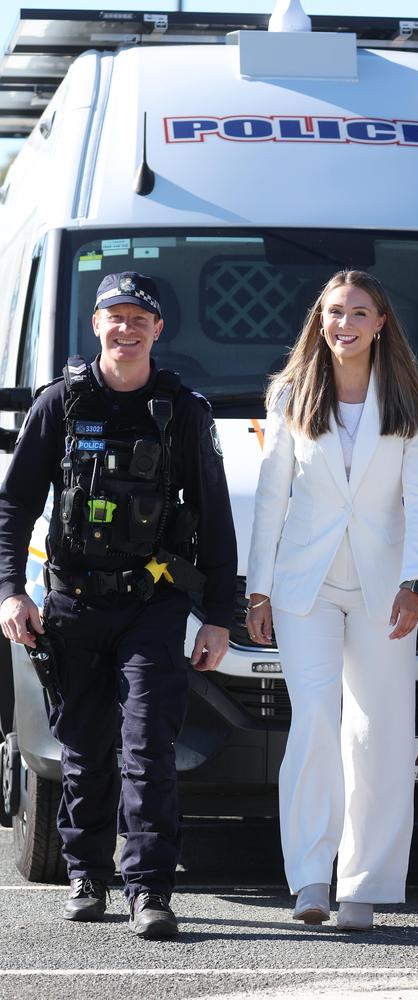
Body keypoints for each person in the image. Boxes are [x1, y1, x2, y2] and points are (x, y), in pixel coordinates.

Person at [0, 272, 237, 939]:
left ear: (158, 329)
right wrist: (10, 589)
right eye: (115, 317)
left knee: (148, 748)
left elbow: (216, 520)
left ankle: (149, 889)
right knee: (83, 747)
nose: (126, 329)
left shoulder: (183, 412)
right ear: (96, 325)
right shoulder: (61, 405)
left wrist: (220, 614)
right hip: (72, 602)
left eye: (140, 318)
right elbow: (14, 502)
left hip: (151, 605)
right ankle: (86, 874)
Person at [246, 270, 418, 931]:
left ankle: (365, 884)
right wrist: (259, 588)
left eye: (359, 311)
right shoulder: (293, 394)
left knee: (377, 733)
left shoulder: (411, 395)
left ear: (382, 322)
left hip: (387, 590)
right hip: (307, 586)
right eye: (334, 312)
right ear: (319, 321)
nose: (345, 322)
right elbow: (273, 496)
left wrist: (417, 583)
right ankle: (310, 879)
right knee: (317, 723)